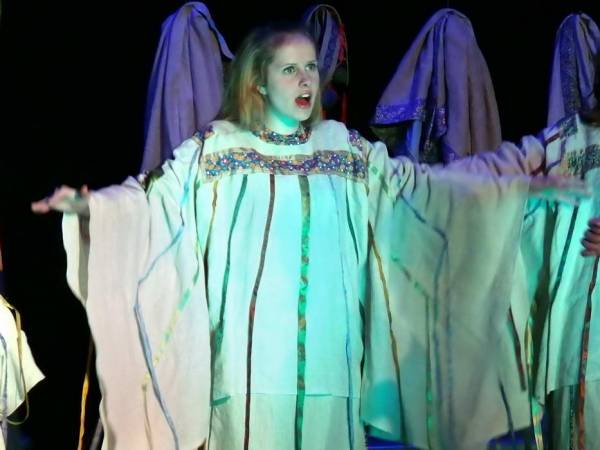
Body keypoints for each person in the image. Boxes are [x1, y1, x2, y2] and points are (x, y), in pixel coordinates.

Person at [31, 23, 591, 450]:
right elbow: (150, 200)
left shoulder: (344, 150)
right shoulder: (215, 151)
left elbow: (427, 189)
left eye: (310, 69)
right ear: (257, 80)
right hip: (248, 379)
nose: (306, 80)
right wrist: (88, 206)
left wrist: (515, 185)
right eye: (290, 70)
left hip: (332, 375)